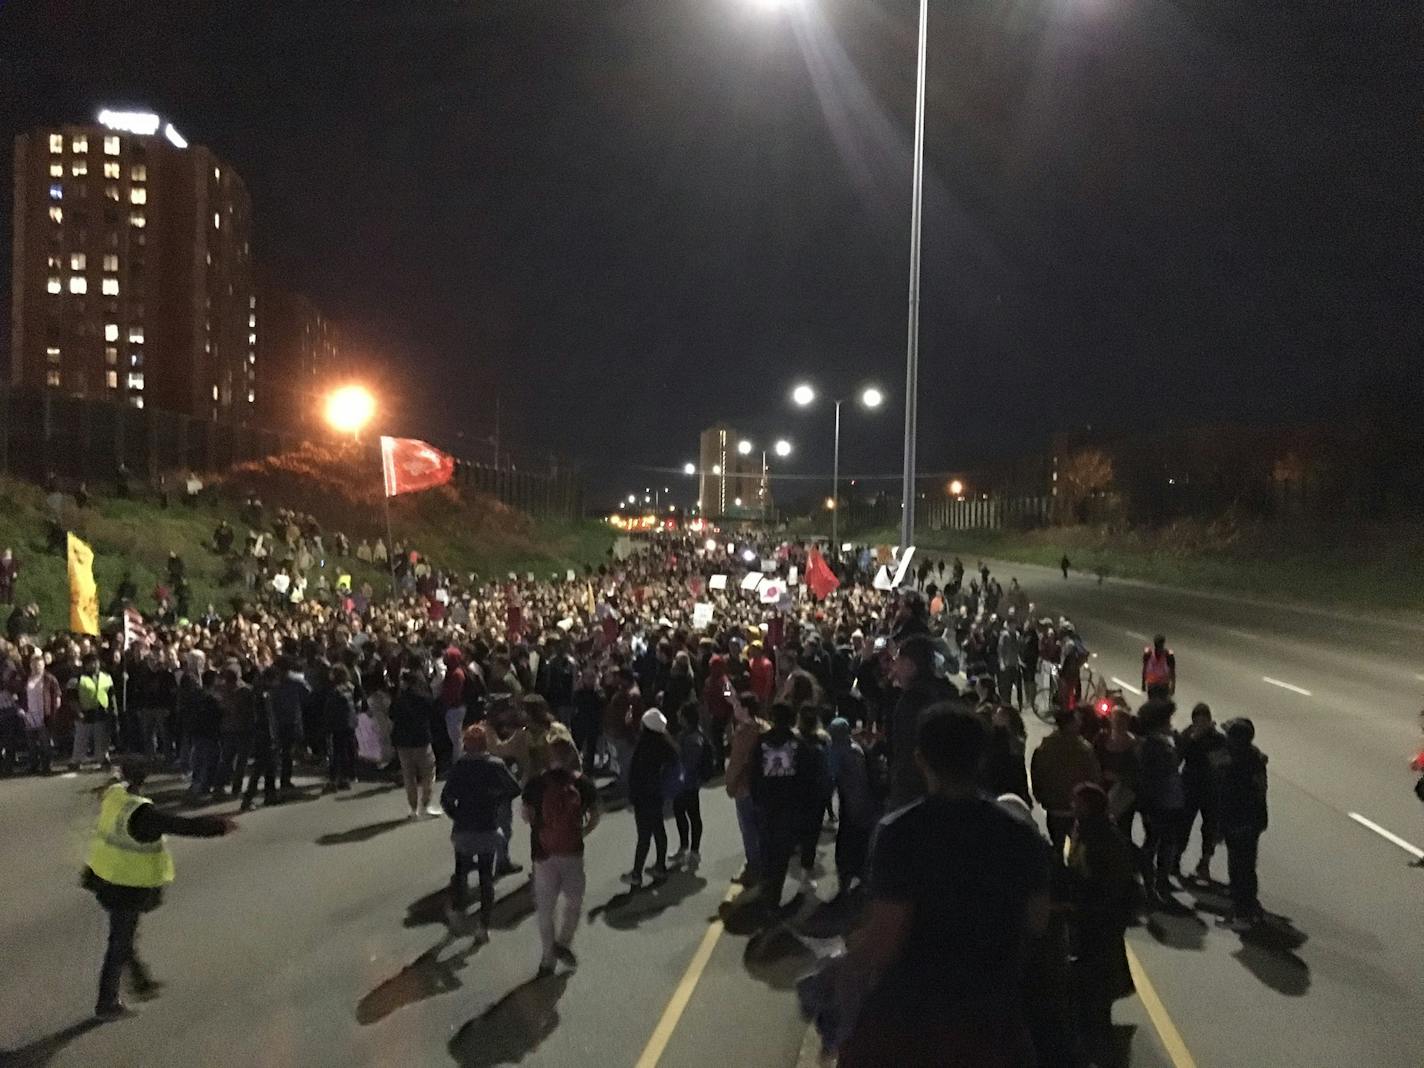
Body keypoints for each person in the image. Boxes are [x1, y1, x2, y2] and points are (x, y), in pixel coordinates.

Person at [836, 708, 1051, 1066]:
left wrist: (841, 970)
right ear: (981, 758)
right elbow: (1037, 920)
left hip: (919, 1017)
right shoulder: (1017, 832)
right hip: (993, 1012)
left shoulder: (898, 833)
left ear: (921, 760)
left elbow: (887, 937)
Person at [82, 758, 236, 1018]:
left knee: (122, 936)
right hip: (126, 886)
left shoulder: (115, 797)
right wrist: (219, 826)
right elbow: (182, 826)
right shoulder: (141, 813)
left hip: (104, 880)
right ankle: (107, 1003)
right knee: (120, 942)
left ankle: (140, 981)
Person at [1062, 782, 1138, 1061]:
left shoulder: (1105, 839)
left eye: (1077, 802)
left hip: (1099, 923)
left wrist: (1086, 908)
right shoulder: (1084, 829)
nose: (1073, 806)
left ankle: (1097, 1039)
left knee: (1097, 981)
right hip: (1087, 920)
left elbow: (1110, 885)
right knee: (1088, 982)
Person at [523, 737, 600, 975]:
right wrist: (581, 831)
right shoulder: (582, 783)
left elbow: (526, 815)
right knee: (574, 902)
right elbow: (596, 815)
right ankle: (563, 944)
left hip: (542, 853)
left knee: (545, 908)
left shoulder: (535, 784)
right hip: (572, 851)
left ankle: (547, 958)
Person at [442, 725, 522, 942]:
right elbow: (514, 788)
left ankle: (459, 915)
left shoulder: (460, 766)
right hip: (488, 824)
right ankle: (483, 926)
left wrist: (456, 814)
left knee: (461, 872)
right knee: (486, 877)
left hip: (464, 826)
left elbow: (446, 798)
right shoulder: (495, 765)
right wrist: (496, 801)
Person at [748, 701, 817, 914]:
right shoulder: (799, 743)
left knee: (767, 850)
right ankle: (773, 896)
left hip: (767, 805)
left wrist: (757, 799)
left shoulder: (762, 742)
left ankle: (766, 892)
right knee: (782, 854)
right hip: (790, 806)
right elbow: (807, 777)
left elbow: (754, 773)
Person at [885, 634, 955, 808]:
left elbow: (906, 752)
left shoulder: (911, 702)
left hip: (917, 795)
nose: (894, 669)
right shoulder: (947, 693)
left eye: (898, 662)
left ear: (910, 666)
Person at [1215, 717, 1269, 930]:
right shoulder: (1254, 759)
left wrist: (1220, 827)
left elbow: (1227, 798)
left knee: (1239, 870)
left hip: (1238, 822)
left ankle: (1242, 914)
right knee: (1247, 867)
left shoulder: (1234, 766)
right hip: (1253, 821)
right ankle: (1249, 907)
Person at [1135, 698, 1187, 903]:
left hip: (1168, 802)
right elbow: (1159, 775)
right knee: (1158, 844)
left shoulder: (1160, 743)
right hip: (1160, 804)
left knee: (1161, 843)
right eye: (1168, 720)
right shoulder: (1153, 747)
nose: (1171, 724)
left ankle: (1157, 882)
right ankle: (1154, 883)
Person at [1030, 708, 1101, 854]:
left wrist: (1041, 796)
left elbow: (1037, 774)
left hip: (1054, 806)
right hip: (1078, 807)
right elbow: (1094, 776)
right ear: (1070, 724)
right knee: (1079, 850)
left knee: (1057, 846)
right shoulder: (1084, 749)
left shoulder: (1045, 747)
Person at [621, 708, 678, 888]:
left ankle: (637, 873)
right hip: (655, 794)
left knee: (644, 835)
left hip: (643, 796)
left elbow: (636, 774)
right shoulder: (664, 744)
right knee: (658, 830)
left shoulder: (645, 746)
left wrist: (632, 796)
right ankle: (660, 866)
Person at [827, 717, 879, 900]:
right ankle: (862, 880)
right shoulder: (857, 748)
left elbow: (831, 778)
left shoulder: (839, 751)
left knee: (847, 846)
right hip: (865, 804)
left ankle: (846, 884)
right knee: (862, 844)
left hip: (852, 806)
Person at [725, 690, 770, 887]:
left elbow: (736, 763)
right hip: (763, 786)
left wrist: (730, 785)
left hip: (745, 787)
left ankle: (754, 869)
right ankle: (765, 864)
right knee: (762, 827)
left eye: (737, 706)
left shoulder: (743, 733)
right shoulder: (764, 728)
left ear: (745, 709)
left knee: (749, 830)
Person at [1178, 701, 1225, 882]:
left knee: (1210, 828)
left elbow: (1222, 763)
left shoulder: (1218, 739)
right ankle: (1175, 858)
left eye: (1204, 720)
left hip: (1210, 789)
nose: (1201, 723)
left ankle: (1204, 862)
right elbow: (1177, 756)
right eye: (1198, 720)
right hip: (1189, 787)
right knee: (1183, 825)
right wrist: (1192, 740)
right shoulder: (1188, 735)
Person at [670, 701, 708, 869]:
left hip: (689, 783)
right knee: (680, 814)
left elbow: (688, 762)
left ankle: (694, 850)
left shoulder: (693, 738)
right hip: (684, 782)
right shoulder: (687, 733)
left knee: (692, 815)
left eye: (680, 715)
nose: (678, 717)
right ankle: (685, 847)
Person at [72, 654, 115, 770]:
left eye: (96, 662)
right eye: (92, 663)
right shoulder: (77, 678)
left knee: (101, 738)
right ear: (86, 665)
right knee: (81, 738)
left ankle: (103, 758)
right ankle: (77, 760)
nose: (95, 665)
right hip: (85, 712)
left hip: (101, 711)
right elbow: (72, 697)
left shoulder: (106, 677)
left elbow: (111, 695)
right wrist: (78, 711)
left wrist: (113, 710)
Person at [21, 652, 60, 775]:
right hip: (29, 714)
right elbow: (21, 695)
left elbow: (57, 695)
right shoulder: (26, 679)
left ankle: (46, 765)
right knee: (31, 743)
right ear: (31, 665)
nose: (37, 667)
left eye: (39, 665)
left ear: (43, 665)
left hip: (45, 714)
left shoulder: (49, 678)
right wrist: (22, 710)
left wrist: (54, 710)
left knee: (44, 742)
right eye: (34, 665)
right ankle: (33, 765)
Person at [325, 664, 358, 790]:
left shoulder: (335, 691)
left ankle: (337, 778)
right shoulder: (350, 688)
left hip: (338, 724)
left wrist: (327, 725)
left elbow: (330, 710)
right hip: (349, 722)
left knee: (338, 751)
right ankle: (349, 775)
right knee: (350, 749)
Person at [1141, 634, 1176, 699]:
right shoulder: (1149, 653)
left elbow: (1172, 670)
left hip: (1163, 684)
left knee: (1163, 703)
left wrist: (1173, 686)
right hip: (1152, 683)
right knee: (1153, 703)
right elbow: (1145, 668)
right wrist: (1143, 682)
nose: (1159, 646)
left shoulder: (1168, 655)